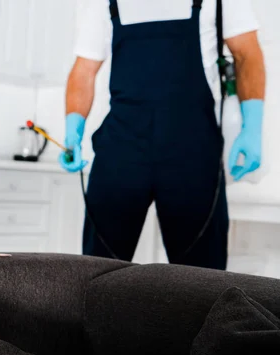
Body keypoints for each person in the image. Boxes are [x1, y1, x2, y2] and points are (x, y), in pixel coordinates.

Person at [60, 0, 266, 270]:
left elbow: (247, 54)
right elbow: (84, 69)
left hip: (193, 153)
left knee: (203, 279)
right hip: (121, 150)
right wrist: (73, 127)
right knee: (97, 271)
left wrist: (252, 128)